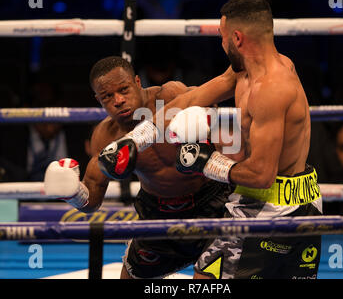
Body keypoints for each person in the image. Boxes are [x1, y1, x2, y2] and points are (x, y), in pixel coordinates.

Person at [103, 0, 323, 279]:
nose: (221, 44)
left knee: (205, 280)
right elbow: (193, 97)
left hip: (271, 205)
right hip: (303, 197)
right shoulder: (248, 71)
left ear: (238, 38)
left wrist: (206, 162)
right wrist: (135, 140)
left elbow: (262, 175)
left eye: (222, 36)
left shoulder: (270, 89)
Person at [43, 56, 234, 279]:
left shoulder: (170, 96)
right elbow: (92, 199)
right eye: (107, 96)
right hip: (157, 214)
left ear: (137, 81)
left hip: (211, 204)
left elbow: (219, 110)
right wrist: (73, 193)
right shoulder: (106, 136)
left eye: (123, 90)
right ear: (98, 100)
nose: (118, 100)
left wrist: (204, 120)